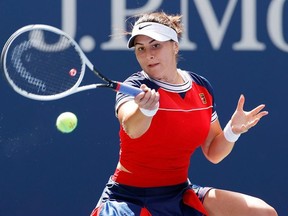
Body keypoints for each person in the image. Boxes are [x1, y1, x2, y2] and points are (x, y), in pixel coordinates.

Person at [91, 11, 278, 216]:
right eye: (140, 49)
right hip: (128, 198)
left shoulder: (201, 87)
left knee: (263, 212)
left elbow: (213, 152)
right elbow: (131, 127)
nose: (148, 55)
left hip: (179, 194)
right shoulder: (135, 86)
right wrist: (145, 110)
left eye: (156, 45)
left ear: (175, 46)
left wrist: (232, 131)